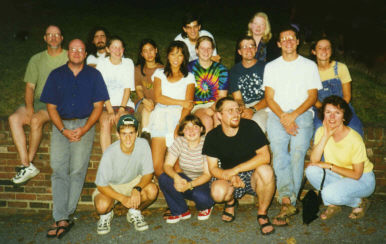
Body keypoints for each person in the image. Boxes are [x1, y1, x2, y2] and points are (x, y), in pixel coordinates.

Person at [41, 39, 109, 239]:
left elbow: (98, 107)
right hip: (60, 126)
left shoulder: (94, 75)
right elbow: (51, 107)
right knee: (58, 169)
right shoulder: (56, 75)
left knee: (78, 170)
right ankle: (61, 216)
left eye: (80, 49)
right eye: (73, 49)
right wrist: (62, 130)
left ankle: (65, 216)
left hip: (84, 125)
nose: (77, 52)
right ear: (68, 53)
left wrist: (85, 129)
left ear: (85, 53)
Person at [263, 26, 322, 226]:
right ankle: (287, 200)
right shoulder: (271, 67)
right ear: (278, 43)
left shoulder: (309, 66)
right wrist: (284, 117)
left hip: (303, 113)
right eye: (283, 39)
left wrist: (293, 116)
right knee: (279, 152)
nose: (288, 41)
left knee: (298, 152)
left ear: (297, 41)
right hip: (277, 114)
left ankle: (289, 201)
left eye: (291, 38)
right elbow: (269, 98)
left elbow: (312, 96)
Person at [203, 97, 277, 235]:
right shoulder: (212, 136)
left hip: (252, 174)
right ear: (219, 115)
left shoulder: (251, 127)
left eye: (237, 110)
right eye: (230, 111)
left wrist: (236, 170)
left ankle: (262, 214)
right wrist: (230, 176)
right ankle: (230, 202)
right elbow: (213, 168)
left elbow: (265, 157)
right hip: (227, 175)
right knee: (218, 193)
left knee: (266, 171)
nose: (236, 114)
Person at [9, 25, 68, 185]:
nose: (53, 37)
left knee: (35, 120)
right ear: (45, 38)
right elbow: (30, 87)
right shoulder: (36, 59)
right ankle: (26, 164)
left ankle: (26, 164)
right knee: (14, 118)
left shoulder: (69, 57)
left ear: (62, 38)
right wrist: (29, 108)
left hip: (58, 103)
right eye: (50, 35)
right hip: (38, 100)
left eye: (57, 34)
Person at [306, 95, 375, 220]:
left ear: (344, 116)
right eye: (328, 112)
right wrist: (326, 136)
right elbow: (314, 161)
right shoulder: (321, 131)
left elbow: (356, 175)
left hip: (362, 180)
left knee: (327, 194)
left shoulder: (354, 139)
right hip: (341, 176)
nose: (332, 117)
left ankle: (357, 201)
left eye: (337, 113)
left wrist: (329, 166)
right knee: (311, 170)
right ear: (323, 115)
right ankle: (340, 203)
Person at [93, 114, 158, 234]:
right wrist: (122, 198)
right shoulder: (109, 153)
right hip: (112, 185)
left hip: (134, 181)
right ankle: (106, 215)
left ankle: (134, 211)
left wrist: (137, 188)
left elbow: (148, 173)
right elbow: (101, 185)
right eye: (124, 134)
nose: (128, 138)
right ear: (118, 135)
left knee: (152, 190)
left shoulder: (143, 144)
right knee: (101, 206)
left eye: (131, 133)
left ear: (137, 133)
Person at [148, 41, 195, 178]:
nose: (176, 58)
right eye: (173, 54)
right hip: (160, 117)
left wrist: (179, 125)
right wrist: (181, 102)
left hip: (179, 117)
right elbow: (158, 98)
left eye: (180, 55)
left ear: (184, 58)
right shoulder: (159, 73)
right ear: (168, 56)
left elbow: (189, 106)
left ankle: (178, 195)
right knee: (157, 167)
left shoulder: (189, 77)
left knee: (177, 166)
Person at [158, 115, 214, 223]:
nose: (191, 130)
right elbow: (167, 165)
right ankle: (180, 210)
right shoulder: (179, 141)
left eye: (195, 127)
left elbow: (207, 175)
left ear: (201, 129)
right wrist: (177, 178)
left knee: (201, 197)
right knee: (164, 178)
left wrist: (189, 185)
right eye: (187, 128)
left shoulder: (207, 143)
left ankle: (206, 206)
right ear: (182, 131)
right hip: (187, 179)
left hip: (205, 182)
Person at [311, 37, 363, 136]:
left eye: (327, 48)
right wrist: (327, 112)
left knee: (355, 129)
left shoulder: (341, 68)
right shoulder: (310, 71)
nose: (324, 51)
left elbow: (347, 96)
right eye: (320, 48)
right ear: (314, 51)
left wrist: (337, 111)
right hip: (321, 109)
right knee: (320, 131)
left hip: (342, 107)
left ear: (331, 51)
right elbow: (313, 98)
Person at [96, 36, 135, 152]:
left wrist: (122, 109)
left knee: (123, 124)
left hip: (124, 104)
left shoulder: (128, 63)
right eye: (114, 47)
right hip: (106, 104)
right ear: (108, 49)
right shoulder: (102, 64)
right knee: (105, 123)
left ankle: (123, 157)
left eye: (120, 48)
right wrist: (110, 110)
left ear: (123, 49)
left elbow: (127, 89)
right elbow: (101, 90)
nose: (117, 51)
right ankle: (107, 160)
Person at [188, 36, 229, 132]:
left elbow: (222, 96)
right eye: (202, 48)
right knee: (207, 120)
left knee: (218, 118)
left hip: (217, 103)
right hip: (197, 105)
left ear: (213, 50)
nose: (206, 52)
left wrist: (212, 108)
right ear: (197, 50)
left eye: (209, 48)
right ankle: (208, 146)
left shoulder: (221, 70)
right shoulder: (189, 68)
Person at [230, 36, 268, 133]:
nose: (249, 49)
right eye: (245, 47)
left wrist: (253, 110)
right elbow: (238, 98)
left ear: (256, 49)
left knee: (256, 124)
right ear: (239, 52)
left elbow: (269, 97)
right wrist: (242, 109)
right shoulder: (234, 71)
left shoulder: (266, 68)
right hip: (245, 105)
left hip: (264, 106)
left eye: (251, 46)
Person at [134, 39, 164, 139]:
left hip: (159, 102)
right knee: (147, 109)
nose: (149, 53)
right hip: (142, 102)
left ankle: (146, 135)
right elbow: (139, 89)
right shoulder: (138, 69)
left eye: (151, 50)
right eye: (145, 51)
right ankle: (145, 135)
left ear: (156, 50)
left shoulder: (163, 69)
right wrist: (144, 100)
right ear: (142, 54)